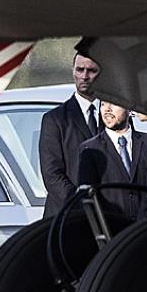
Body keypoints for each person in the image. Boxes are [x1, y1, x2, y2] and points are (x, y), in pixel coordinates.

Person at [40, 52, 101, 217]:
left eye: (91, 70)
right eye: (79, 70)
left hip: (109, 215)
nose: (84, 76)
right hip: (67, 215)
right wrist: (84, 204)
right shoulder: (55, 119)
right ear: (73, 71)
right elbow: (52, 175)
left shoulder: (115, 116)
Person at [78, 101, 147, 221]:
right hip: (112, 228)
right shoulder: (90, 149)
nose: (107, 109)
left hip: (144, 228)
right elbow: (88, 200)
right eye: (103, 104)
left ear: (129, 109)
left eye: (113, 103)